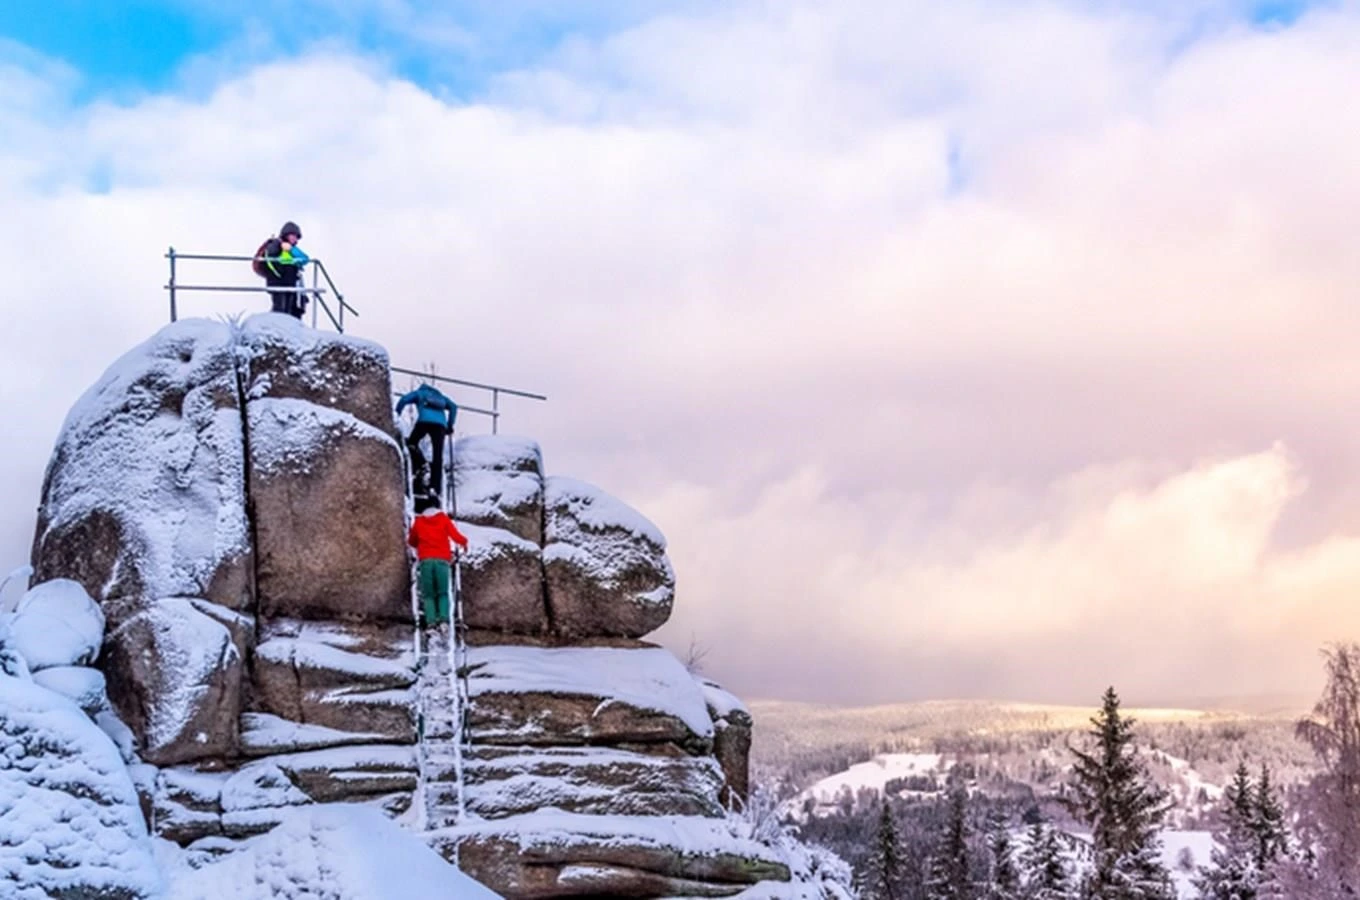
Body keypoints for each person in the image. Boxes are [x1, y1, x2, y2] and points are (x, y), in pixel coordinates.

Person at [407, 495, 469, 634]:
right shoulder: (443, 519)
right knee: (442, 592)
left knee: (428, 594)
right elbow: (455, 536)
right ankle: (444, 621)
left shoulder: (419, 521)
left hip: (426, 561)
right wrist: (464, 542)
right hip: (442, 561)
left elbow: (412, 541)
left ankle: (431, 623)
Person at [396, 383, 457, 497]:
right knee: (437, 456)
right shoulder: (441, 397)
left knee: (411, 443)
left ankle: (422, 462)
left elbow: (404, 399)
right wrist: (450, 425)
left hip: (424, 422)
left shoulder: (420, 393)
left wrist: (396, 413)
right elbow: (453, 407)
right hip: (440, 426)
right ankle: (435, 488)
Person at [261, 221, 310, 318]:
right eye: (292, 235)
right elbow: (270, 260)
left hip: (290, 282)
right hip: (278, 282)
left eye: (296, 236)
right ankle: (275, 326)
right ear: (286, 235)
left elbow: (305, 259)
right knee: (279, 308)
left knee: (289, 309)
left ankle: (285, 329)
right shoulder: (275, 244)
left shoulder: (292, 248)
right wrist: (280, 273)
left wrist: (291, 249)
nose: (294, 238)